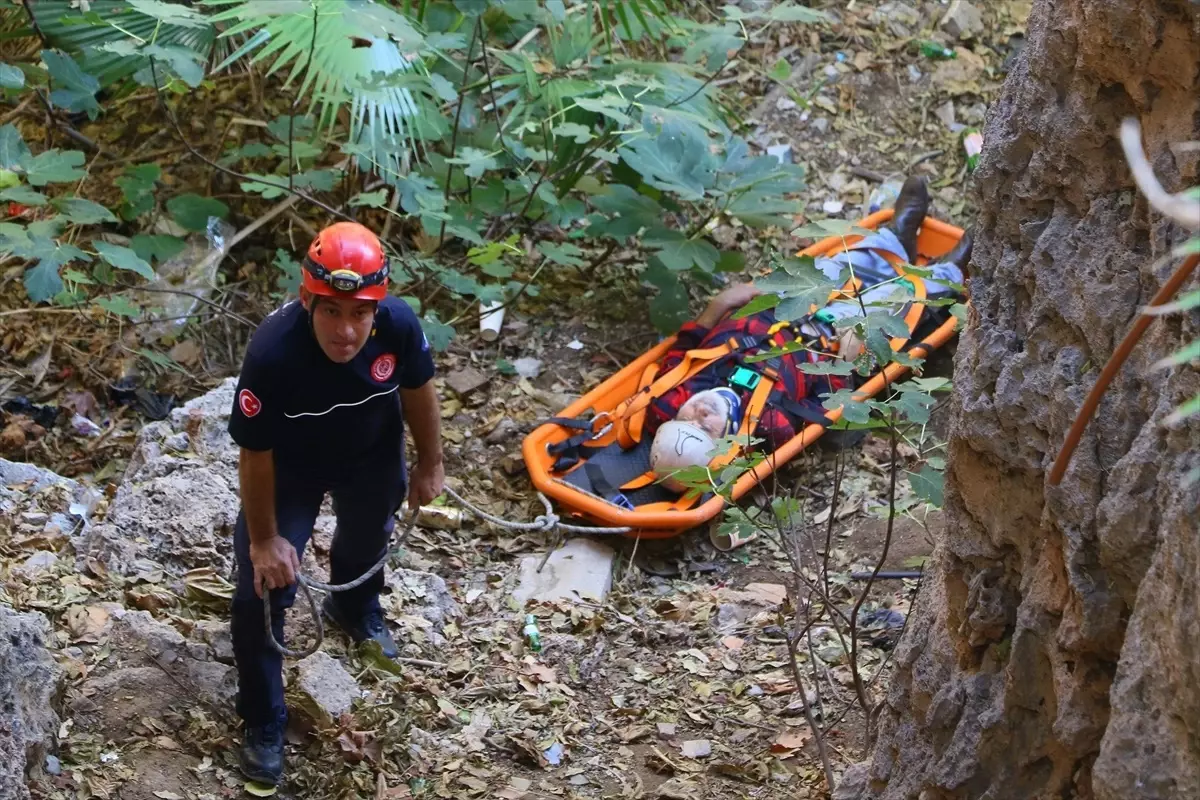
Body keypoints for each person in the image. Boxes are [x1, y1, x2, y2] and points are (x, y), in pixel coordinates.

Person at [225, 221, 444, 785]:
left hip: (369, 451)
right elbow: (254, 453)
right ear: (308, 300)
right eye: (331, 312)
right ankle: (262, 719)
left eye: (359, 314)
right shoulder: (274, 352)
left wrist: (430, 462)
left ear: (378, 307)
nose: (346, 331)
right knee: (260, 588)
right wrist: (264, 539)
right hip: (289, 470)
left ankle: (354, 605)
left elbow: (419, 390)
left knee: (369, 532)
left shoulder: (397, 324)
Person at [648, 176, 972, 487]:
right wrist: (850, 360)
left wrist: (717, 306)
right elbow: (827, 405)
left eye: (686, 419)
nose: (699, 413)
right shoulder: (767, 423)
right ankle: (949, 273)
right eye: (705, 428)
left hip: (782, 304)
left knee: (840, 264)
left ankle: (896, 239)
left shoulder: (670, 398)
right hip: (828, 336)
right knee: (893, 302)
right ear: (724, 445)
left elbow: (685, 344)